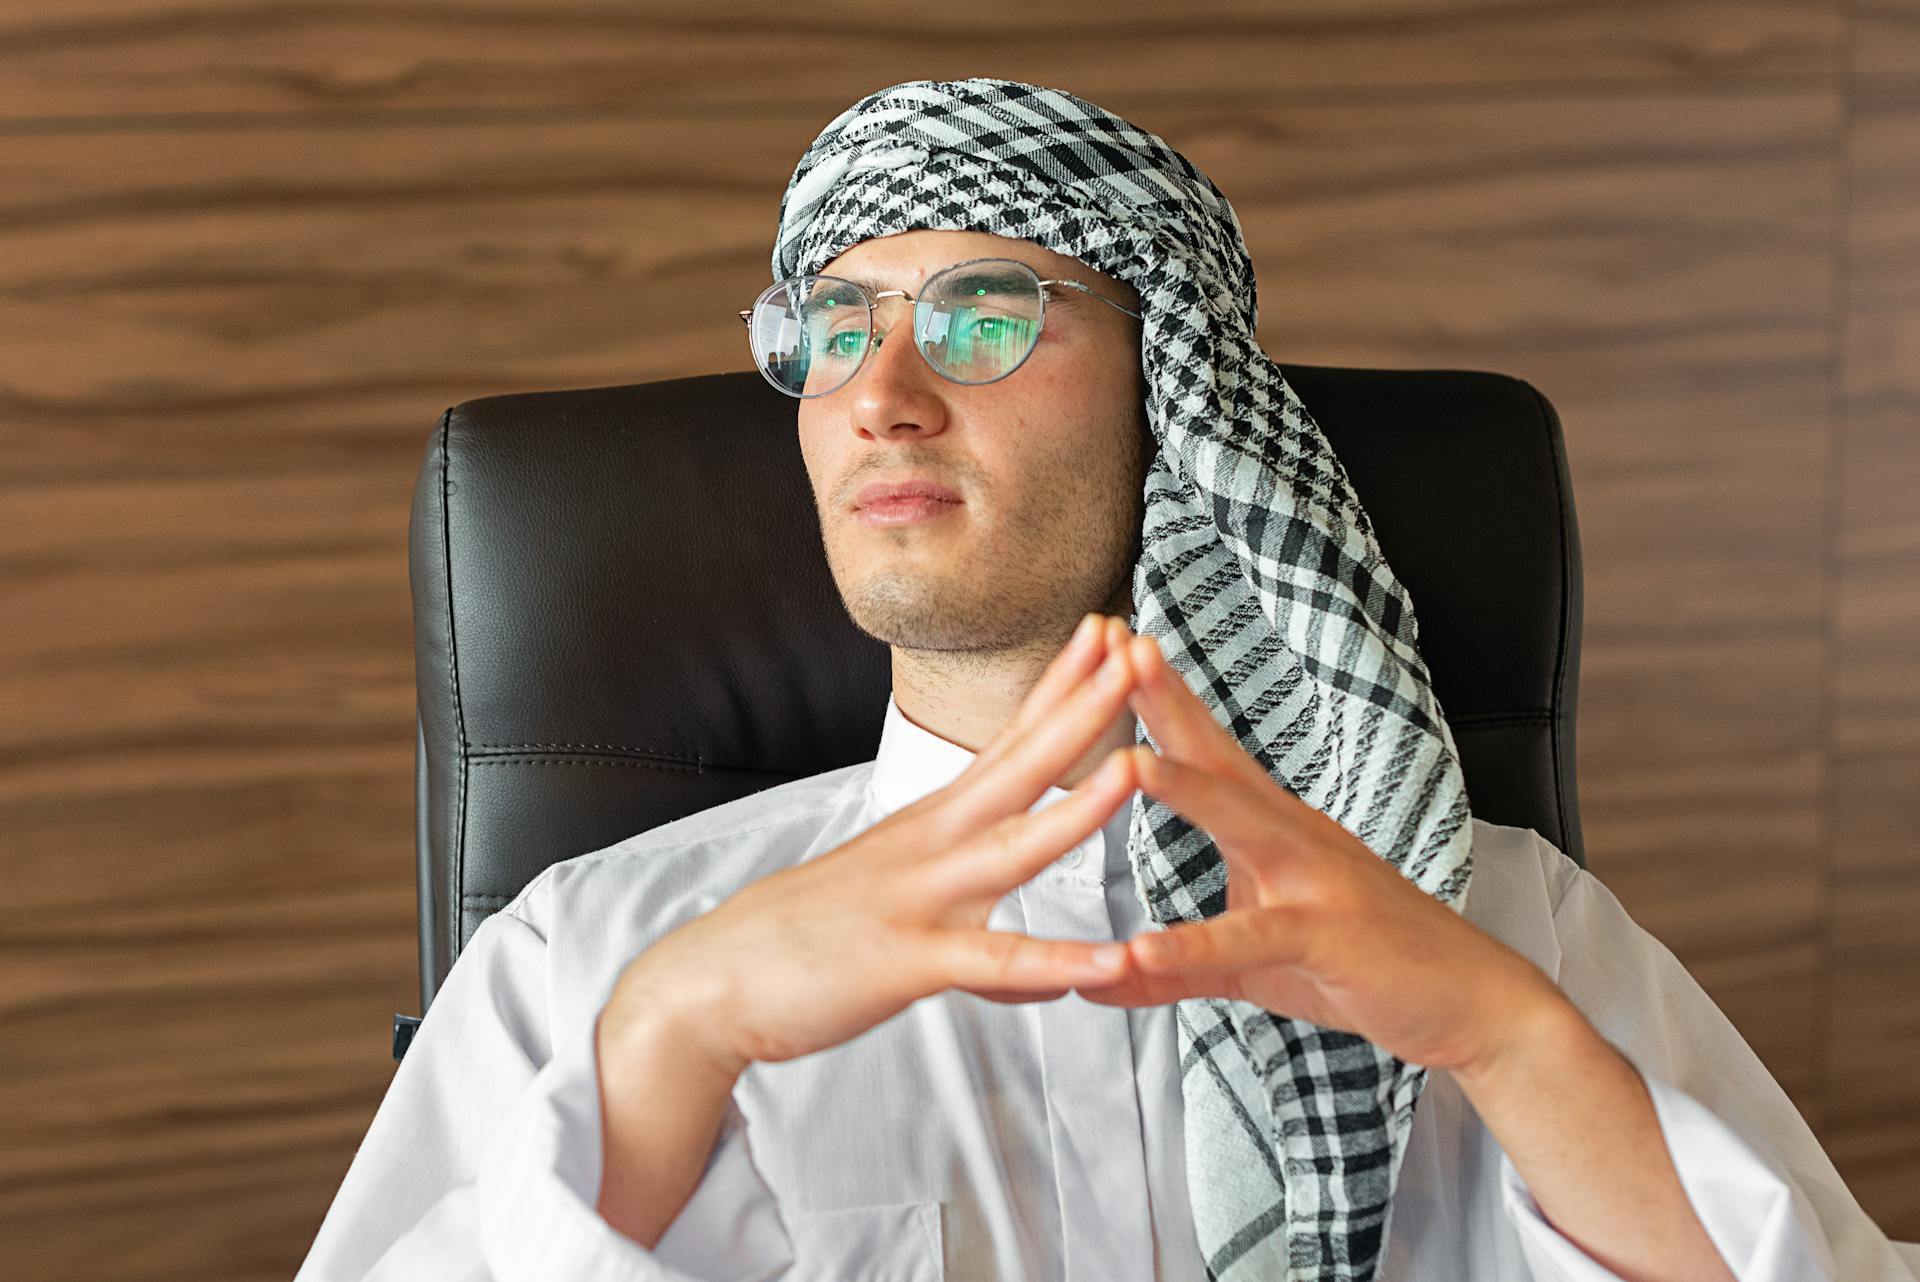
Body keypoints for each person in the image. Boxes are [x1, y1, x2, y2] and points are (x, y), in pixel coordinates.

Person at [294, 80, 1920, 1282]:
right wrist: (666, 1051)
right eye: (835, 327)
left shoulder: (1501, 922)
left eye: (984, 317)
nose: (882, 395)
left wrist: (1504, 1040)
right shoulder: (592, 957)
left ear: (1179, 399)